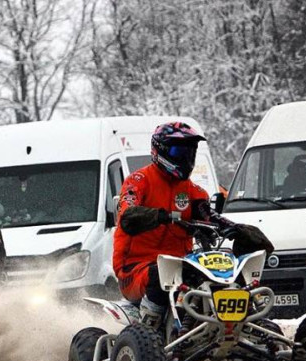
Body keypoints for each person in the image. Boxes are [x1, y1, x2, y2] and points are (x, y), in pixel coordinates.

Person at [113, 122, 271, 330]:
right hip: (135, 267)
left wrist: (232, 228)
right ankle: (149, 331)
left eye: (190, 151)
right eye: (179, 150)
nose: (186, 157)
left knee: (224, 272)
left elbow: (207, 214)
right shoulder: (138, 181)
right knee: (159, 275)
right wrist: (160, 216)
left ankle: (251, 324)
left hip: (181, 264)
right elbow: (128, 215)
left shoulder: (193, 191)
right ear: (160, 150)